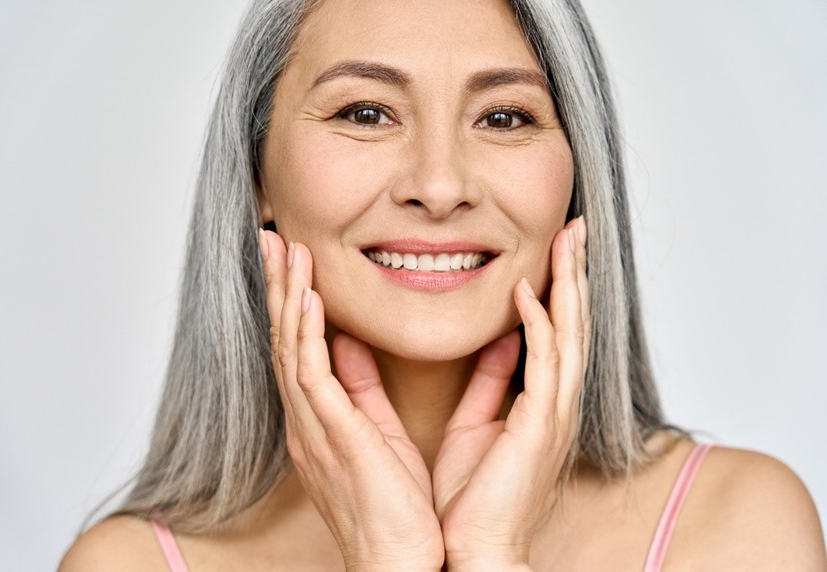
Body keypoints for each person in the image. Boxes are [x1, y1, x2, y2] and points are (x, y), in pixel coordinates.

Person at [60, 0, 826, 569]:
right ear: (257, 169)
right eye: (366, 112)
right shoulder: (130, 564)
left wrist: (491, 554)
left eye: (503, 117)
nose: (439, 183)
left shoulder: (737, 528)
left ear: (577, 172)